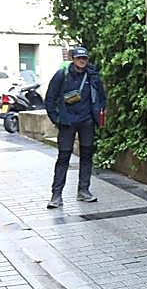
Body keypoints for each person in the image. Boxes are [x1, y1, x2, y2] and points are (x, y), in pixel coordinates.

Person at [45, 46, 106, 208]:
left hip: (87, 121)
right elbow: (49, 98)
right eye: (79, 58)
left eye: (84, 58)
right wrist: (56, 119)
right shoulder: (62, 75)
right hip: (67, 122)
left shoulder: (92, 75)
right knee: (63, 157)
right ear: (73, 59)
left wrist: (98, 114)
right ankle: (56, 195)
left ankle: (83, 191)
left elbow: (101, 97)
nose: (82, 61)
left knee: (86, 155)